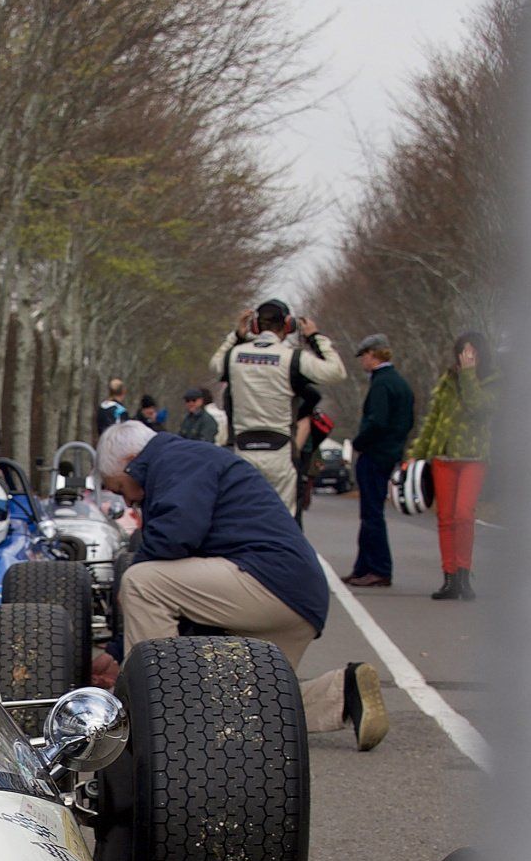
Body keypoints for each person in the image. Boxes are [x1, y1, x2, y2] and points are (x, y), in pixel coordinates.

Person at [95, 420, 387, 749]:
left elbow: (177, 535)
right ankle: (343, 693)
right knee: (228, 712)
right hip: (294, 596)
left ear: (130, 461)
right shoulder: (188, 459)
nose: (130, 502)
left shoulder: (177, 460)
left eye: (120, 488)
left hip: (267, 581)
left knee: (140, 581)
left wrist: (131, 572)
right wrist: (118, 650)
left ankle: (156, 717)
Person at [210, 299, 347, 513]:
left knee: (243, 517)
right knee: (281, 522)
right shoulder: (292, 358)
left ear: (255, 326)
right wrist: (314, 337)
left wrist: (236, 335)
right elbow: (336, 371)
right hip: (279, 449)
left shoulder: (234, 356)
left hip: (243, 448)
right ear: (288, 325)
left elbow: (215, 365)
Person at [410, 328, 499, 599]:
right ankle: (449, 578)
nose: (467, 357)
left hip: (473, 457)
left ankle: (464, 573)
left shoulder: (492, 381)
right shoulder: (448, 380)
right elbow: (434, 419)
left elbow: (479, 408)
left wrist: (469, 375)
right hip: (444, 457)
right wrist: (417, 453)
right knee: (445, 517)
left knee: (463, 514)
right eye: (463, 352)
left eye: (472, 351)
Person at [342, 332, 415, 589]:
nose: (362, 361)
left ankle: (379, 568)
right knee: (370, 512)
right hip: (390, 452)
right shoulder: (399, 383)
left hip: (375, 454)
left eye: (363, 355)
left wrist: (359, 443)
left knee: (372, 514)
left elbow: (377, 421)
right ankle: (362, 567)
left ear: (373, 355)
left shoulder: (382, 383)